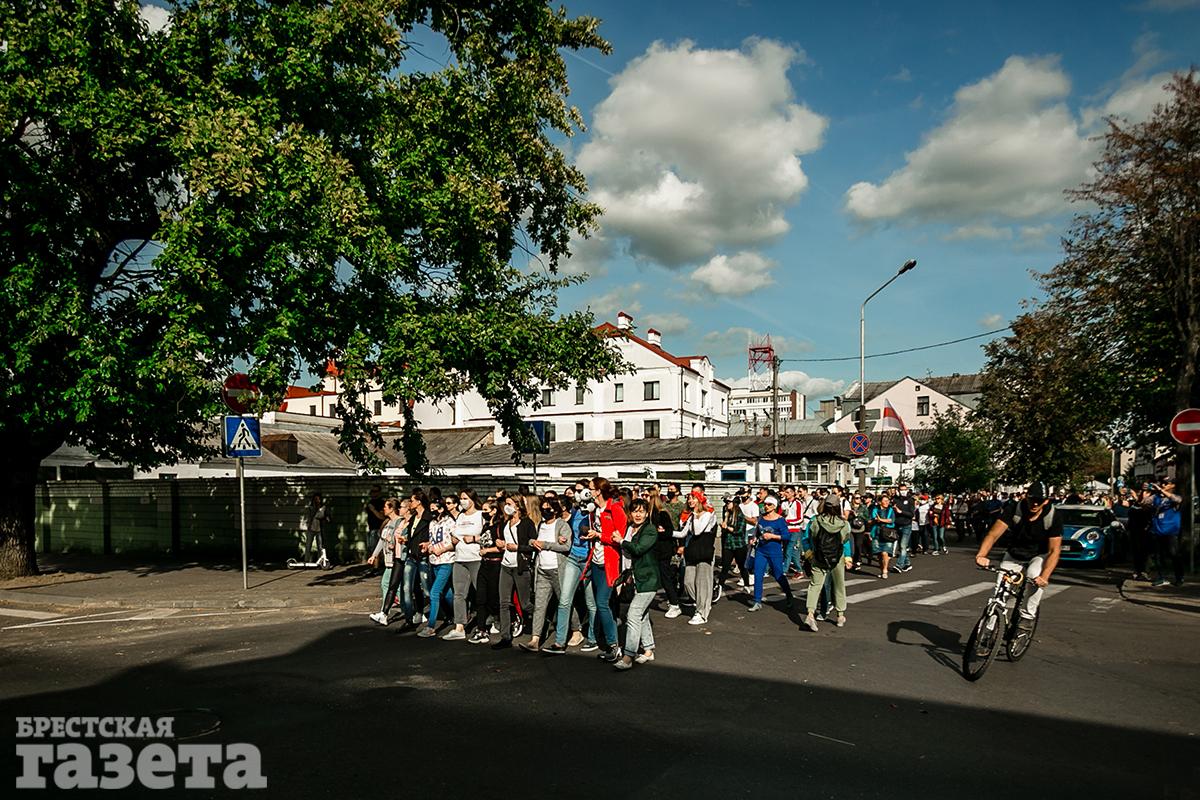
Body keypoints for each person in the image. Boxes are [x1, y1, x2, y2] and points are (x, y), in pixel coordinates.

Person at [974, 481, 1063, 632]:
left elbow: (1055, 550)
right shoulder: (1014, 509)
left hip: (1038, 555)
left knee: (1034, 577)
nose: (1035, 504)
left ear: (1046, 501)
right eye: (1032, 499)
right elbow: (993, 534)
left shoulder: (1053, 516)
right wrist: (981, 555)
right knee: (999, 593)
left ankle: (1028, 616)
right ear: (1025, 497)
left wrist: (1045, 577)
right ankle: (987, 631)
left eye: (1039, 500)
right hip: (1014, 553)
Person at [614, 498, 661, 670]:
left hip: (649, 579)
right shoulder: (630, 528)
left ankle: (628, 656)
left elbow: (638, 549)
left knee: (633, 614)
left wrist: (621, 540)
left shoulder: (649, 530)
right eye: (635, 511)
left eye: (642, 511)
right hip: (635, 578)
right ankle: (648, 650)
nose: (638, 514)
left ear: (647, 513)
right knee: (643, 615)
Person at [520, 498, 571, 651]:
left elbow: (566, 546)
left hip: (557, 570)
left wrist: (547, 545)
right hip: (542, 570)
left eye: (548, 509)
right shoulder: (541, 525)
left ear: (555, 510)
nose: (545, 512)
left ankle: (576, 630)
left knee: (564, 602)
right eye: (542, 509)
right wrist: (532, 542)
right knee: (539, 606)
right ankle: (535, 640)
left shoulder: (562, 525)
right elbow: (534, 540)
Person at [586, 476, 626, 663]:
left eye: (591, 488)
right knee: (604, 603)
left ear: (599, 491)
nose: (589, 492)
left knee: (602, 602)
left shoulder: (615, 509)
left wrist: (599, 535)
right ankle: (610, 640)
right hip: (596, 560)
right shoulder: (595, 510)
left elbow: (620, 537)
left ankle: (614, 645)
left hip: (610, 562)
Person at [803, 496, 852, 632]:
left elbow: (809, 538)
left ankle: (810, 614)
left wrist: (809, 554)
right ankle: (840, 615)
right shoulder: (844, 524)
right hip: (837, 557)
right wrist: (848, 558)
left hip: (819, 556)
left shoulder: (815, 521)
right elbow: (845, 541)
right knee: (839, 585)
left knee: (814, 585)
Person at [492, 496, 534, 649]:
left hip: (520, 566)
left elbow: (532, 545)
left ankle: (542, 621)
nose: (506, 507)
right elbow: (504, 540)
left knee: (525, 604)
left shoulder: (527, 523)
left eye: (509, 504)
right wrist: (500, 543)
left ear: (518, 506)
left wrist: (518, 547)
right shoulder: (506, 523)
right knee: (504, 602)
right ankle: (505, 637)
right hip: (506, 565)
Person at [443, 489, 485, 641]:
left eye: (465, 498)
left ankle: (488, 622)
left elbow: (487, 536)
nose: (462, 501)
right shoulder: (460, 516)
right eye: (461, 498)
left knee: (480, 592)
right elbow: (455, 534)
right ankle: (459, 627)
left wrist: (474, 538)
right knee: (459, 594)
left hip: (475, 558)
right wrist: (454, 539)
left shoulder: (480, 515)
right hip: (460, 558)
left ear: (472, 499)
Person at [747, 495, 794, 612]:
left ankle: (789, 595)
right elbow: (757, 532)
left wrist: (773, 536)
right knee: (758, 575)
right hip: (761, 551)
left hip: (775, 552)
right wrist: (754, 539)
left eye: (769, 504)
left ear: (774, 506)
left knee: (778, 575)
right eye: (765, 504)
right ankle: (757, 601)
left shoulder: (780, 520)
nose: (766, 506)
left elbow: (787, 536)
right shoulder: (762, 518)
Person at [417, 497, 456, 638]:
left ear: (441, 508)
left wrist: (443, 549)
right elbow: (434, 539)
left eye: (435, 508)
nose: (432, 511)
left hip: (446, 560)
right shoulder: (432, 523)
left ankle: (431, 626)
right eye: (431, 509)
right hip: (433, 560)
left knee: (434, 592)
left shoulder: (450, 522)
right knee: (446, 593)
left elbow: (454, 542)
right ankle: (457, 615)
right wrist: (427, 545)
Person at [679, 489, 717, 625]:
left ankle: (701, 613)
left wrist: (694, 515)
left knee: (702, 584)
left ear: (700, 500)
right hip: (693, 552)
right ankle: (703, 603)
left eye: (693, 498)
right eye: (689, 498)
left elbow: (698, 530)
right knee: (688, 582)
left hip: (704, 551)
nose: (690, 501)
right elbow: (683, 533)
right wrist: (665, 533)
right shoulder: (691, 516)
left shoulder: (708, 514)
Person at [367, 497, 406, 624]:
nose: (383, 509)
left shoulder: (399, 522)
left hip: (395, 559)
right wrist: (374, 555)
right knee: (397, 588)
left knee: (387, 584)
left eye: (385, 507)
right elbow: (382, 540)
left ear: (392, 509)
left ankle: (384, 612)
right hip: (388, 559)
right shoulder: (388, 523)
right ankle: (410, 611)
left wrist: (394, 544)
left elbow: (399, 538)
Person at [1149, 478, 1184, 587]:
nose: (1163, 485)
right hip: (1157, 531)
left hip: (1171, 532)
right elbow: (1143, 502)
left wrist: (1162, 490)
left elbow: (1177, 500)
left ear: (1172, 485)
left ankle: (1179, 577)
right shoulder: (1157, 498)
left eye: (1166, 483)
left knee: (1173, 554)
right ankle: (1161, 577)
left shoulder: (1175, 497)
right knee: (1158, 556)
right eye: (1162, 483)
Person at [718, 494, 752, 591]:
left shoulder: (740, 515)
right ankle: (720, 586)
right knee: (725, 566)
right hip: (728, 544)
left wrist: (727, 528)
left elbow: (739, 531)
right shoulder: (727, 514)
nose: (727, 504)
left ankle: (746, 584)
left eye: (729, 502)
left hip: (739, 545)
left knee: (742, 566)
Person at [869, 494, 897, 579]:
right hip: (877, 533)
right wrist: (874, 520)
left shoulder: (890, 510)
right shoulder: (875, 510)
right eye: (885, 501)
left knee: (885, 552)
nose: (887, 502)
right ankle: (882, 569)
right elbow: (870, 520)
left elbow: (891, 520)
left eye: (888, 501)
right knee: (879, 554)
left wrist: (881, 520)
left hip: (887, 534)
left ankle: (885, 570)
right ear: (880, 502)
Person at [363, 485, 386, 559]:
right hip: (371, 528)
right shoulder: (370, 502)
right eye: (371, 491)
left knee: (377, 548)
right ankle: (375, 566)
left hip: (378, 528)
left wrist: (373, 510)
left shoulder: (382, 503)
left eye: (375, 491)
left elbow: (382, 517)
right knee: (371, 548)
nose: (372, 493)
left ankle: (377, 567)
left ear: (379, 492)